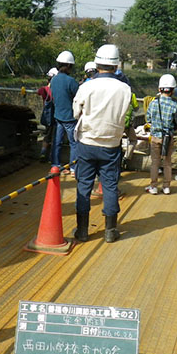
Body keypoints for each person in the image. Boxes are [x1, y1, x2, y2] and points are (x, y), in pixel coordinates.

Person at [71, 44, 131, 243]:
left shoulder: (86, 86)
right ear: (116, 65)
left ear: (97, 64)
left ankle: (82, 230)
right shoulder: (125, 88)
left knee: (84, 186)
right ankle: (110, 231)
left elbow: (75, 112)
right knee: (110, 186)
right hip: (112, 144)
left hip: (87, 143)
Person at [145, 74, 177, 195]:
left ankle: (153, 186)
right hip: (168, 137)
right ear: (172, 90)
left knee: (155, 162)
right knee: (167, 162)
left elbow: (148, 119)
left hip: (156, 136)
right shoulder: (175, 105)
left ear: (159, 89)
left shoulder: (153, 103)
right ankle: (166, 186)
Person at [50, 50, 80, 173]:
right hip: (70, 118)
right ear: (68, 66)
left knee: (57, 142)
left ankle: (55, 165)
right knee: (74, 143)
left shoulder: (54, 80)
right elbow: (79, 97)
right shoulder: (71, 81)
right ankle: (73, 167)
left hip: (58, 116)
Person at [37, 67, 58, 162]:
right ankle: (52, 157)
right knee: (55, 137)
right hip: (56, 116)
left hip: (47, 117)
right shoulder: (56, 90)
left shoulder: (44, 89)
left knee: (46, 136)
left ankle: (42, 153)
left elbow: (38, 92)